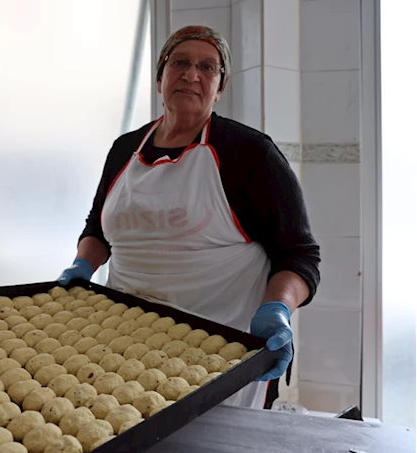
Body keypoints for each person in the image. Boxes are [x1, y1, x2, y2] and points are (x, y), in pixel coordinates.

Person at [57, 25, 320, 408]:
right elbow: (98, 226)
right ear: (161, 76)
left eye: (207, 67)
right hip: (119, 342)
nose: (191, 74)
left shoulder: (249, 154)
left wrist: (277, 308)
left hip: (215, 354)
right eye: (179, 62)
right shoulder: (125, 150)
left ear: (221, 85)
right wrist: (83, 265)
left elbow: (299, 254)